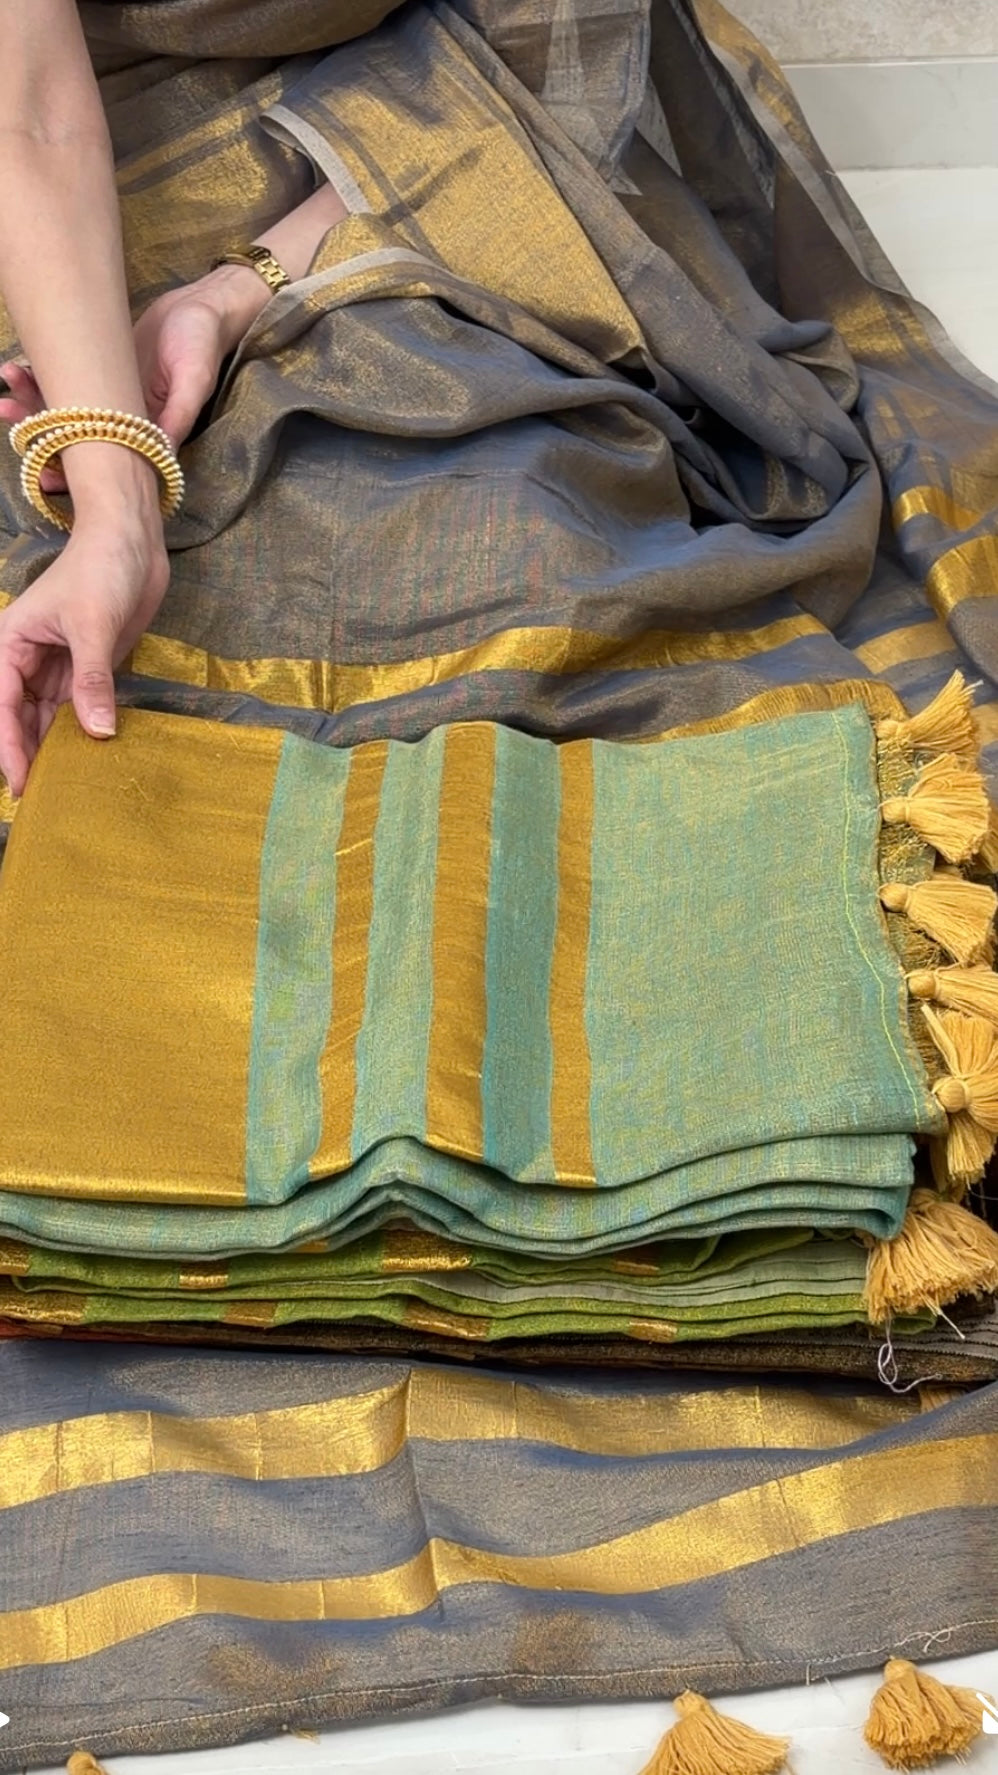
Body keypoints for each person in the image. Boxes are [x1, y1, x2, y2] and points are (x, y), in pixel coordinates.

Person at [0, 0, 995, 809]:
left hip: (449, 116)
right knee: (104, 611)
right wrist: (113, 485)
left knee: (525, 529)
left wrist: (240, 292)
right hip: (84, 168)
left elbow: (553, 44)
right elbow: (33, 114)